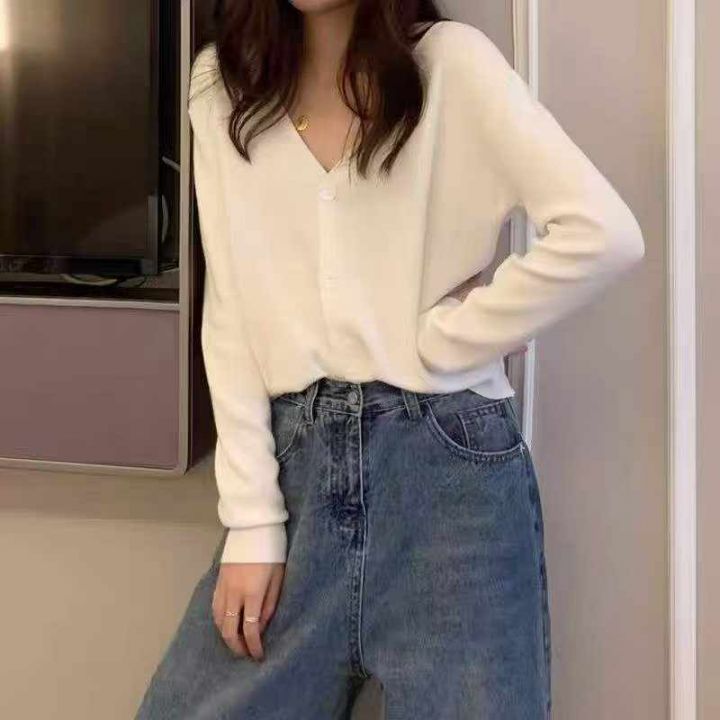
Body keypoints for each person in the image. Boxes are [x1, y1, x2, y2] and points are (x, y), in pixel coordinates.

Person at [135, 1, 645, 718]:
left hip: (450, 480)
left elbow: (603, 234)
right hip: (295, 472)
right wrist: (252, 521)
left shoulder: (451, 65)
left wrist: (450, 339)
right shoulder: (222, 86)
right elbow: (230, 314)